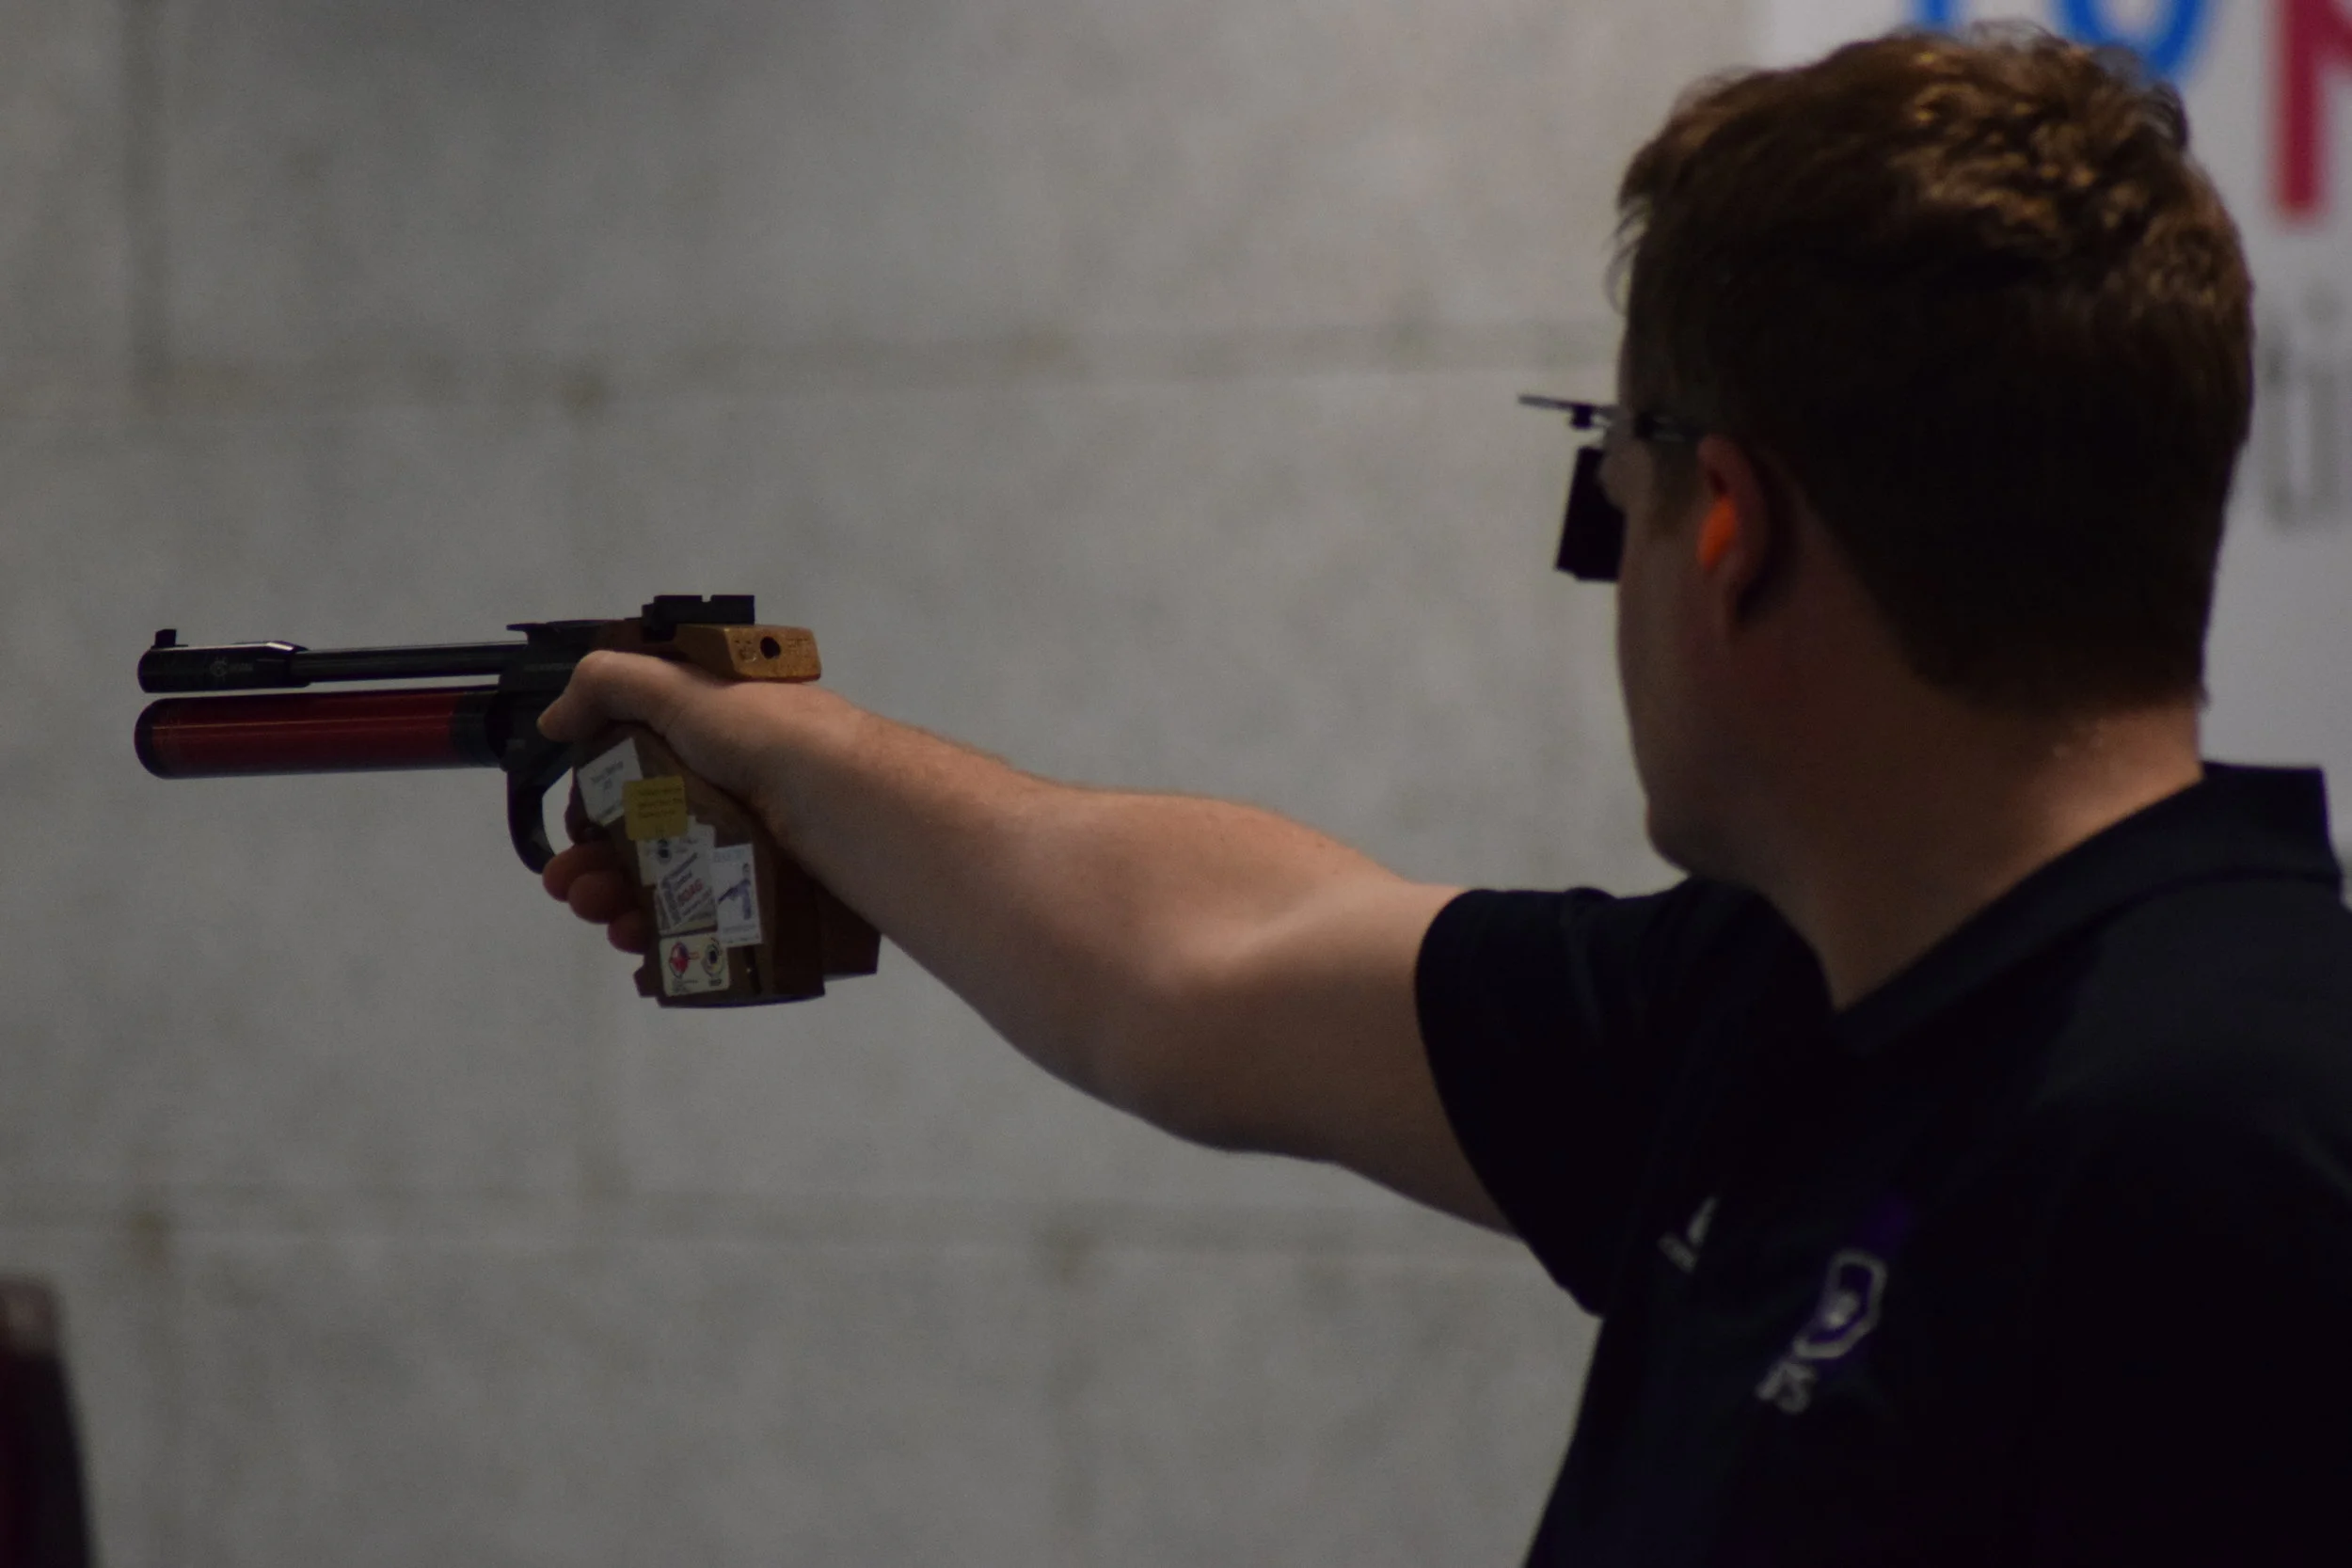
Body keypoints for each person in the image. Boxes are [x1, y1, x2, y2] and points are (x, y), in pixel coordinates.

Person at [538, 25, 2352, 1566]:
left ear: (1727, 527)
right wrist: (787, 758)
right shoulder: (1792, 1004)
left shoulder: (2219, 1148)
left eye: (1606, 487)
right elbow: (1202, 962)